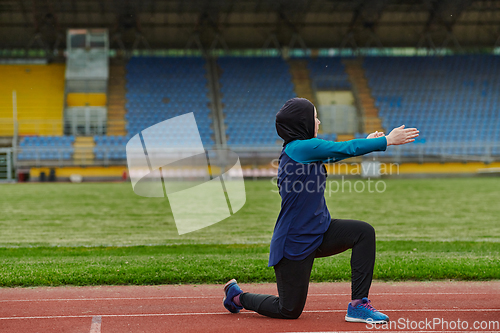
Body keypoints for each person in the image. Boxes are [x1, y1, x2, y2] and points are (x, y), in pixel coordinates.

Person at [223, 98, 419, 323]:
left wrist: (368, 142)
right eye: (314, 117)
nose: (318, 122)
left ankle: (358, 305)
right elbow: (342, 148)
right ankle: (238, 297)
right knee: (288, 310)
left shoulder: (304, 150)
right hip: (295, 241)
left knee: (363, 233)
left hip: (319, 230)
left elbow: (337, 153)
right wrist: (387, 140)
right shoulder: (299, 147)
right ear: (303, 122)